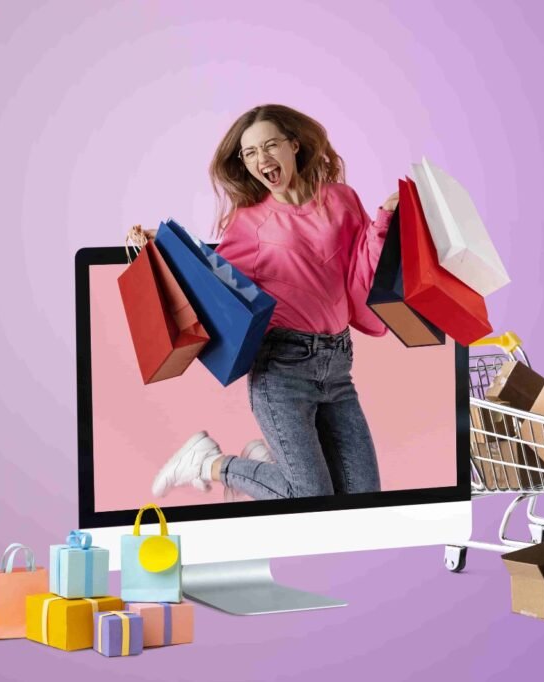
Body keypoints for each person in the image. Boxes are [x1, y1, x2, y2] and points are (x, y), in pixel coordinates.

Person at [151, 104, 398, 500]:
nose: (261, 159)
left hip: (337, 365)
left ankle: (263, 463)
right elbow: (210, 280)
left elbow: (360, 273)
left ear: (294, 146)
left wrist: (384, 218)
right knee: (309, 496)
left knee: (365, 497)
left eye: (270, 146)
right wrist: (161, 247)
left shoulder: (341, 199)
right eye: (250, 153)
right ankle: (206, 462)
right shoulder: (251, 223)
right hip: (282, 369)